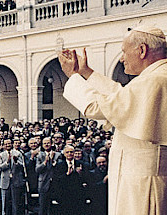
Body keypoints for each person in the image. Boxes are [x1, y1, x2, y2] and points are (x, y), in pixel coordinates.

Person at [58, 25, 167, 214]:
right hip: (136, 179)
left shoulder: (155, 80)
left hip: (142, 185)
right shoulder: (154, 77)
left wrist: (73, 77)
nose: (122, 58)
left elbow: (97, 107)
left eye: (124, 51)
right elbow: (119, 96)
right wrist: (87, 73)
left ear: (142, 50)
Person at [35, 137, 61, 215]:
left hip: (55, 183)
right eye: (44, 143)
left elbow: (59, 168)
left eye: (48, 143)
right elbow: (37, 170)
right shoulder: (40, 155)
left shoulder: (58, 155)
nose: (46, 145)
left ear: (51, 144)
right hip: (43, 183)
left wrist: (53, 161)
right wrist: (45, 162)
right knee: (43, 206)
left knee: (54, 207)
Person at [0, 139, 24, 215]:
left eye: (9, 143)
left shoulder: (18, 153)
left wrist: (16, 161)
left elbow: (22, 166)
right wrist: (7, 162)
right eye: (6, 144)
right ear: (3, 145)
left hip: (15, 180)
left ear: (12, 144)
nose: (8, 145)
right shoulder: (1, 155)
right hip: (5, 181)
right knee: (5, 203)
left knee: (15, 203)